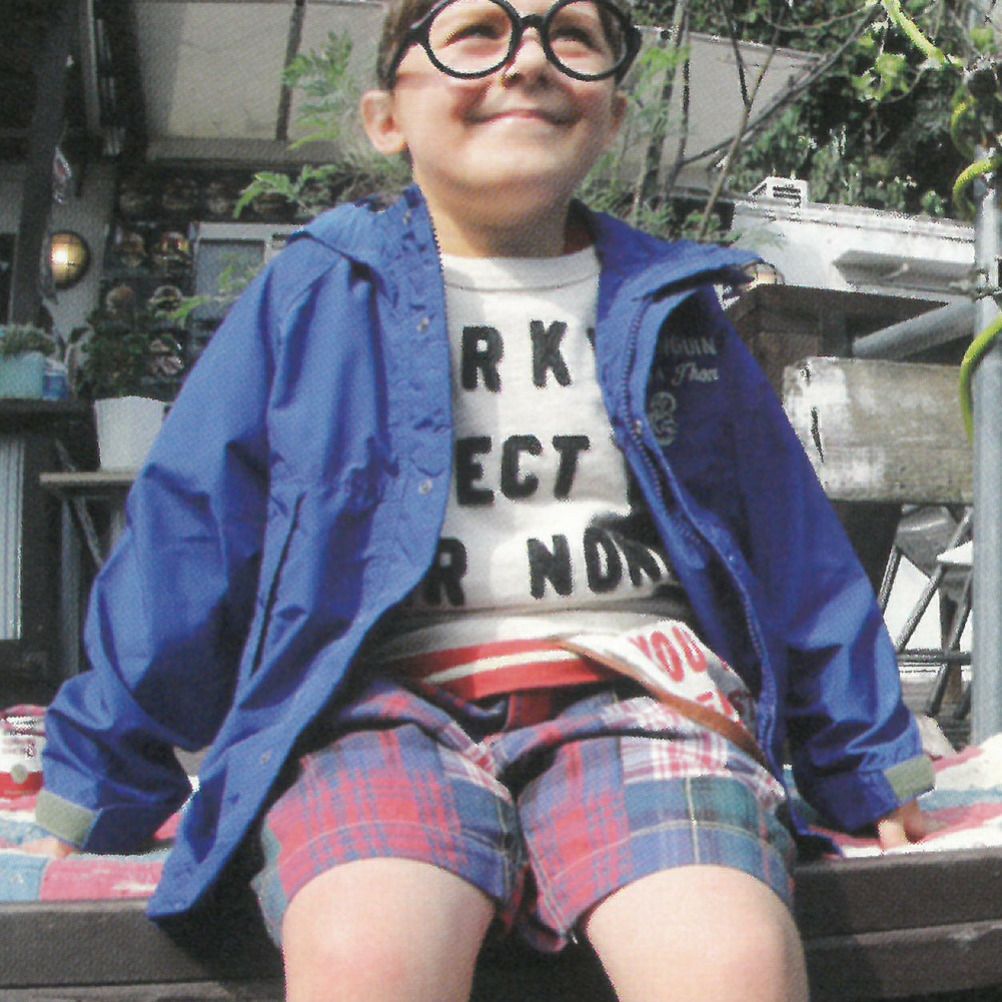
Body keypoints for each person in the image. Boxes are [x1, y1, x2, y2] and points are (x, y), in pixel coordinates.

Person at [27, 0, 932, 999]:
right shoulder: (319, 293)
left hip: (642, 702)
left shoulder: (674, 309)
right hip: (377, 714)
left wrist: (862, 758)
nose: (528, 61)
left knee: (731, 961)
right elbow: (191, 534)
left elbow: (791, 544)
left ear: (613, 116)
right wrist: (106, 771)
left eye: (572, 35)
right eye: (475, 33)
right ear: (387, 117)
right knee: (364, 951)